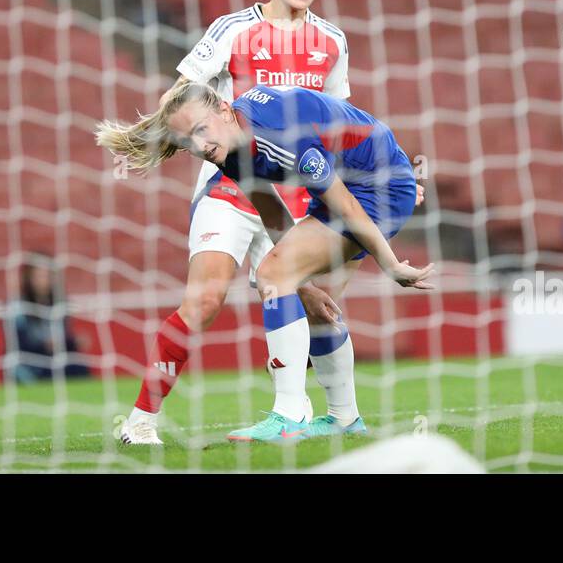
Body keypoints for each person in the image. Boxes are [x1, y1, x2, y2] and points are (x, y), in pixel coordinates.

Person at [116, 0, 364, 447]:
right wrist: (152, 138)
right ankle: (141, 419)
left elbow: (340, 122)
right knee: (204, 300)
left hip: (295, 193)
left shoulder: (333, 42)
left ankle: (319, 414)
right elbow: (182, 95)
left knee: (307, 297)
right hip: (231, 187)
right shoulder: (233, 29)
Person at [97, 81, 432, 442]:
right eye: (187, 143)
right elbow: (272, 211)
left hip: (378, 187)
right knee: (301, 291)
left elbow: (347, 205)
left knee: (272, 272)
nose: (199, 147)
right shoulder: (231, 148)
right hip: (358, 180)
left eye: (200, 130)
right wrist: (301, 284)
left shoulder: (277, 135)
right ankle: (344, 419)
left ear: (225, 111)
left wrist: (391, 264)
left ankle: (288, 415)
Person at [8, 254, 89, 382]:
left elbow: (65, 344)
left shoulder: (60, 305)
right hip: (30, 361)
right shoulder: (18, 307)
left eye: (47, 275)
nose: (44, 280)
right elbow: (17, 345)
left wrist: (74, 342)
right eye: (39, 275)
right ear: (29, 278)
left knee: (79, 367)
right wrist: (43, 345)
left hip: (54, 360)